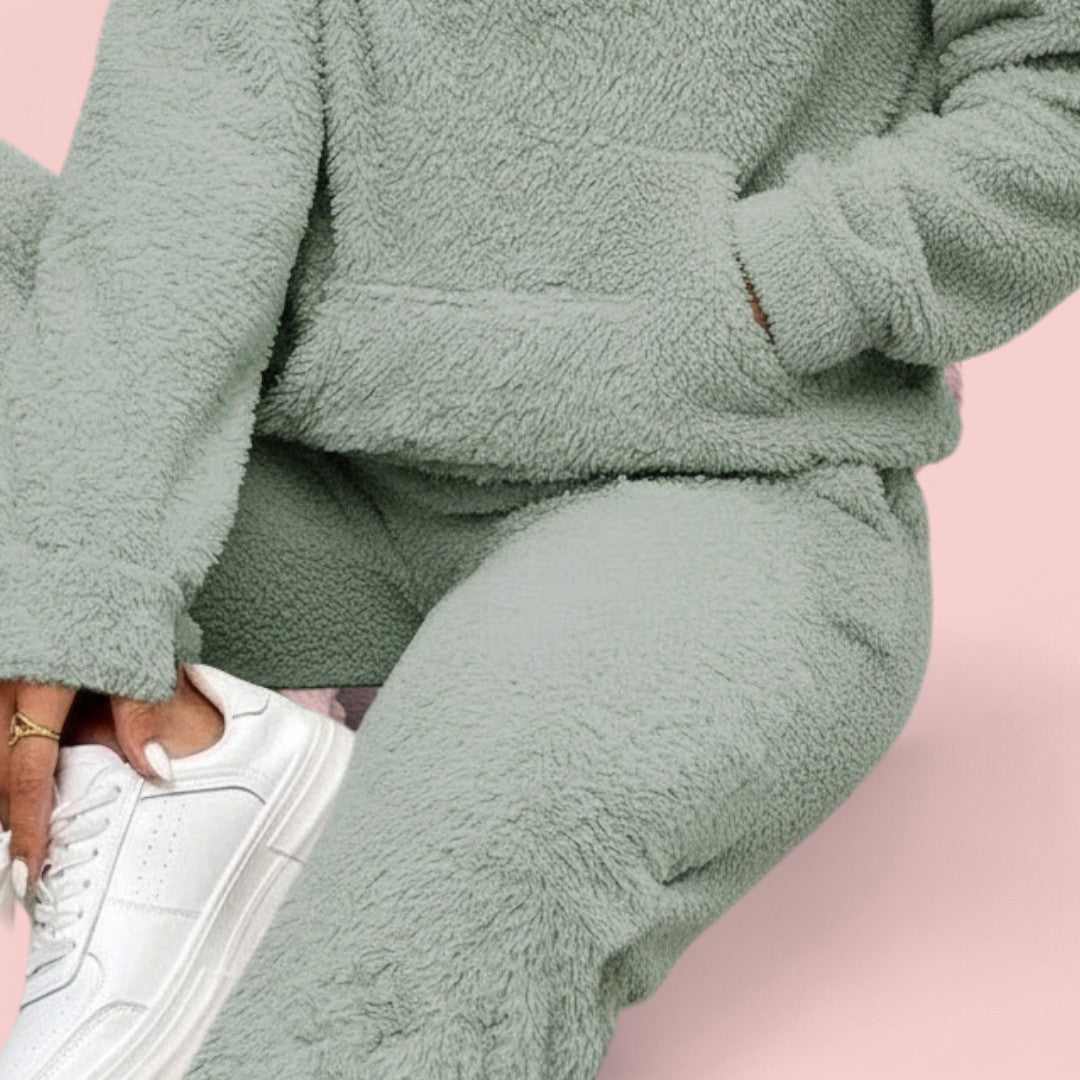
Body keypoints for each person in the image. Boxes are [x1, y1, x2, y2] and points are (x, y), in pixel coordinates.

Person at [1, 0, 1078, 1076]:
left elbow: (1058, 85)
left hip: (714, 487)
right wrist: (83, 583)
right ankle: (173, 761)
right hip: (302, 466)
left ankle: (386, 780)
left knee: (476, 858)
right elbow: (183, 147)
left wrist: (785, 281)